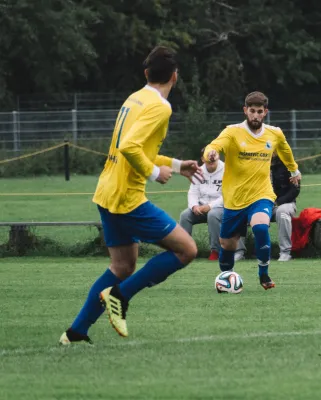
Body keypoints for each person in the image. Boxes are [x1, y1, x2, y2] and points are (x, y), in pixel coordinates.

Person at [59, 46, 200, 344]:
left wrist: (175, 166)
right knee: (186, 250)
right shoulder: (161, 106)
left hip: (107, 191)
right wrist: (153, 173)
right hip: (127, 198)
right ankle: (119, 297)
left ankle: (75, 333)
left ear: (147, 73)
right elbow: (131, 147)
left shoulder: (135, 97)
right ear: (175, 77)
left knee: (122, 266)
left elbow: (140, 148)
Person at [203, 91, 301, 289]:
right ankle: (225, 277)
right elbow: (214, 146)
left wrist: (294, 169)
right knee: (227, 245)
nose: (255, 115)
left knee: (260, 227)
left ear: (265, 112)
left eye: (259, 111)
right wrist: (210, 154)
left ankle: (263, 274)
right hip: (235, 198)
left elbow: (285, 150)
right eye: (252, 111)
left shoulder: (274, 133)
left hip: (261, 194)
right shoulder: (232, 132)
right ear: (245, 111)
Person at [236, 151, 301, 262]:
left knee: (282, 213)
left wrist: (278, 202)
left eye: (275, 148)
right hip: (260, 203)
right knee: (240, 213)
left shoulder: (289, 165)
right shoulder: (255, 165)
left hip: (283, 204)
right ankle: (238, 252)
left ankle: (285, 252)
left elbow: (295, 190)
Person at [179, 147, 225, 261]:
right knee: (185, 215)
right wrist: (194, 206)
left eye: (214, 162)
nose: (212, 165)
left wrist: (209, 206)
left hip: (221, 207)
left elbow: (227, 196)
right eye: (209, 162)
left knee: (213, 215)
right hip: (201, 206)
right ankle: (185, 251)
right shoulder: (198, 171)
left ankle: (216, 251)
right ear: (203, 159)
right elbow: (193, 192)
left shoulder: (227, 170)